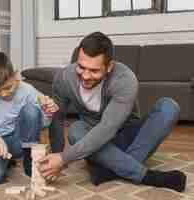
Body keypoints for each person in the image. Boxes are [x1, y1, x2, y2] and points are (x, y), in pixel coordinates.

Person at [38, 31, 187, 192]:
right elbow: (57, 118)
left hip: (127, 134)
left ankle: (117, 169)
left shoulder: (125, 79)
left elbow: (108, 128)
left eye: (94, 71)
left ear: (109, 67)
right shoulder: (64, 78)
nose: (86, 76)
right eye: (81, 67)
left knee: (169, 107)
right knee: (76, 130)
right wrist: (57, 157)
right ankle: (131, 170)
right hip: (92, 138)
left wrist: (65, 158)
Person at [0, 52, 59, 185]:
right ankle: (6, 160)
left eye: (7, 87)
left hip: (20, 141)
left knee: (31, 110)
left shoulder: (27, 90)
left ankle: (30, 161)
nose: (4, 94)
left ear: (16, 76)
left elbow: (43, 124)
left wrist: (47, 113)